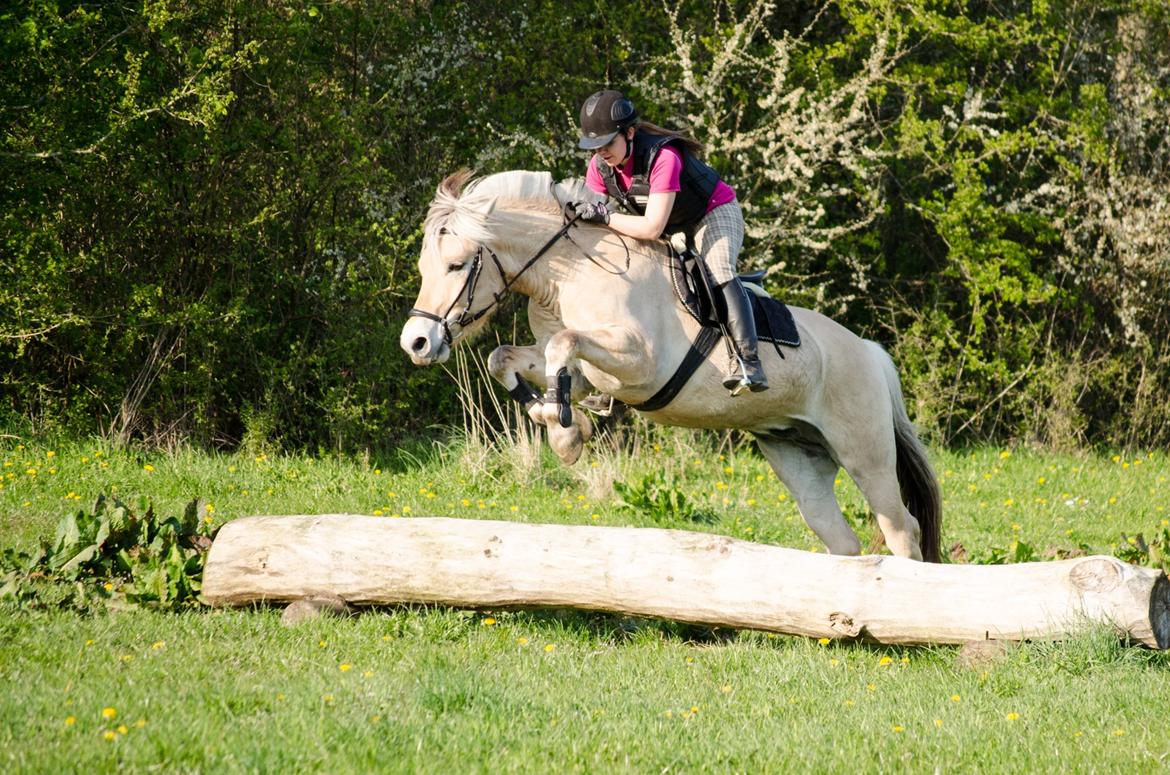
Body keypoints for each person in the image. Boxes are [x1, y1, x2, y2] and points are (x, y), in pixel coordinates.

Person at [567, 89, 768, 395]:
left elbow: (650, 226)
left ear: (630, 132)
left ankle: (748, 362)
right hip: (670, 224)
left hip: (712, 213)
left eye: (607, 143)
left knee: (717, 268)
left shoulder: (664, 156)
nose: (601, 152)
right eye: (594, 147)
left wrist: (604, 217)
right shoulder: (599, 167)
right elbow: (594, 217)